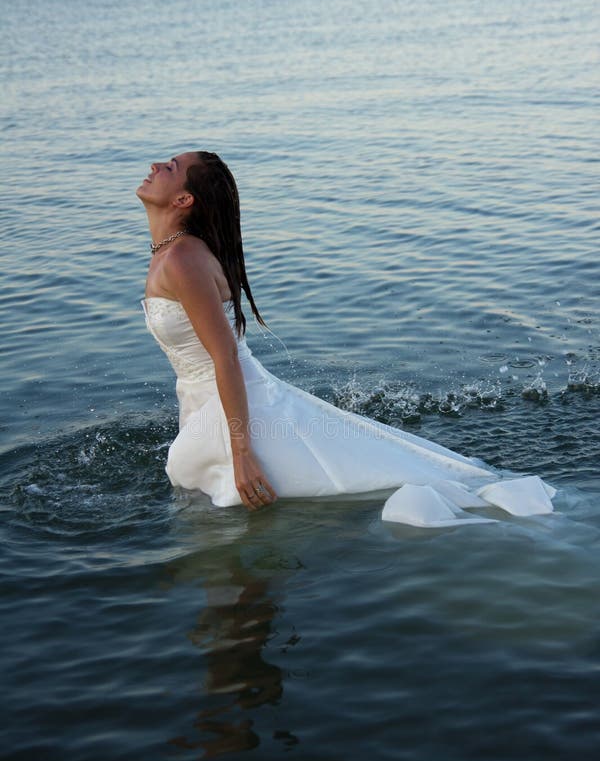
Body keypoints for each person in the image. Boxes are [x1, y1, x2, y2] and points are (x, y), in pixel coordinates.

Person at [137, 151, 556, 527]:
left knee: (346, 485)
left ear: (184, 200)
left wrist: (243, 455)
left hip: (236, 407)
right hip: (212, 401)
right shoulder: (173, 253)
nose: (156, 166)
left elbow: (225, 357)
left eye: (171, 167)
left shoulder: (182, 258)